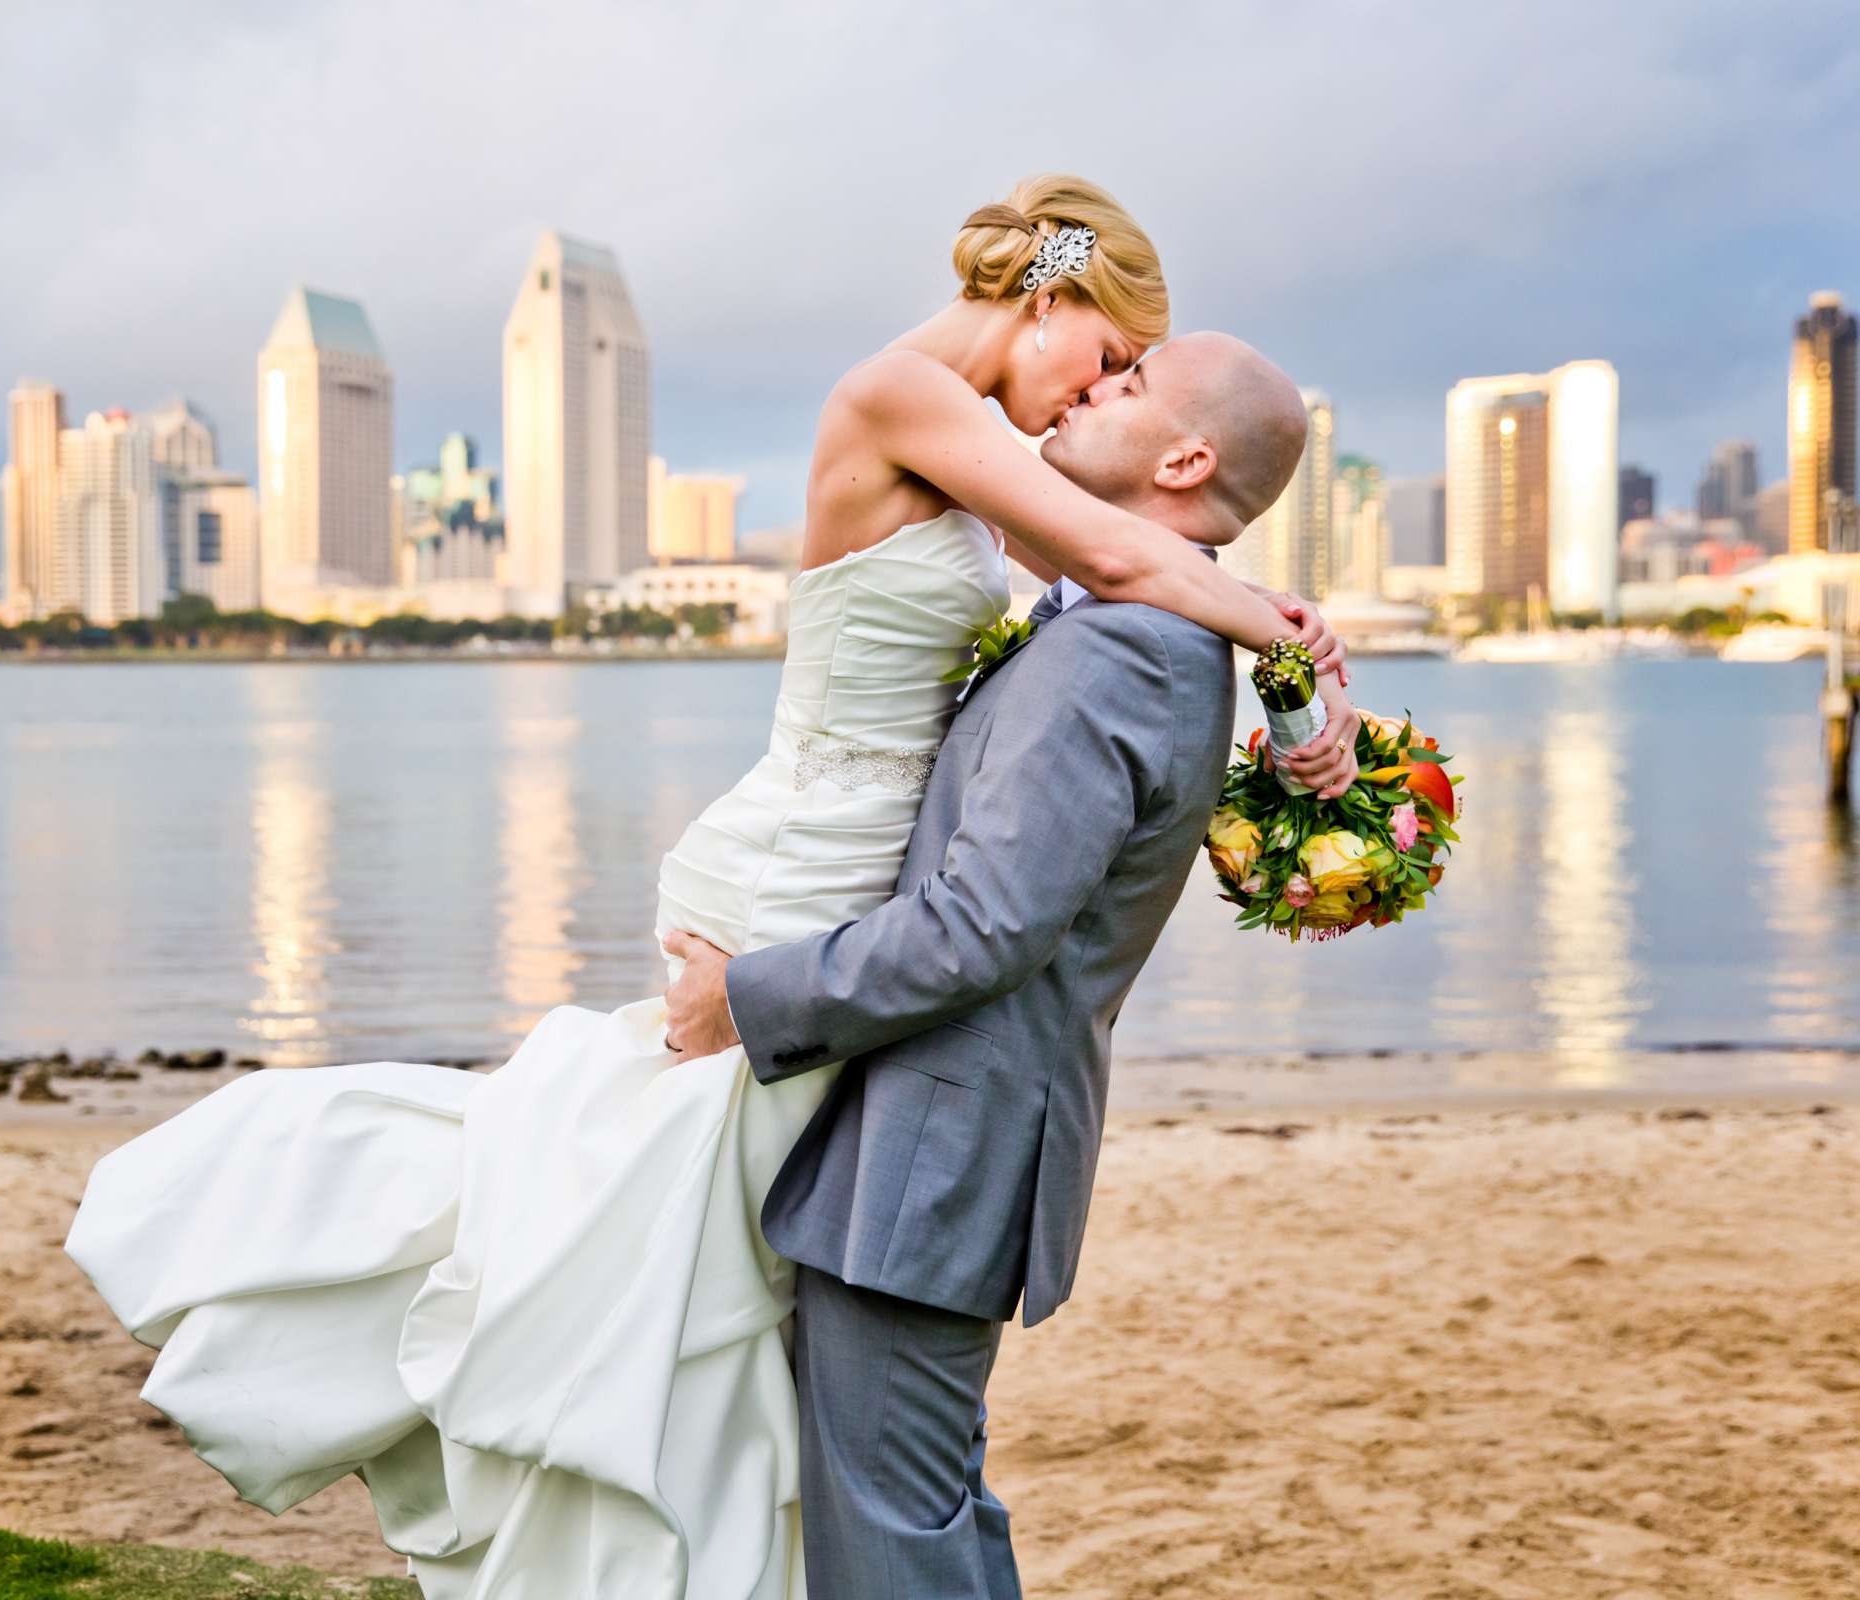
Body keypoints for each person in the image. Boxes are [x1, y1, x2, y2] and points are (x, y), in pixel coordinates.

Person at [66, 175, 1356, 1600]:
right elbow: (1115, 556)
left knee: (739, 1328)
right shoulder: (905, 403)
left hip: (879, 970)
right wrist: (1286, 642)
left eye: (1126, 383)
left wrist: (1273, 652)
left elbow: (1097, 599)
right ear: (1050, 297)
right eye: (1108, 356)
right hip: (822, 870)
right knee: (651, 1236)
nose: (1091, 392)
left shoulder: (1095, 596)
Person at [661, 328, 1311, 1599]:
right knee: (921, 1499)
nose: (1091, 389)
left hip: (940, 1151)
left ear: (1184, 456)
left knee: (889, 1525)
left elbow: (982, 927)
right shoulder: (1134, 617)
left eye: (1126, 386)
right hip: (944, 1139)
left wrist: (740, 1000)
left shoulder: (1125, 650)